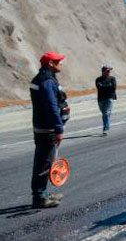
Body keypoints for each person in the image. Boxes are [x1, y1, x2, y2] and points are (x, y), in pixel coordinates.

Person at [30, 51, 67, 208]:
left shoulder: (42, 78)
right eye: (58, 61)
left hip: (43, 126)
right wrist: (58, 129)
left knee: (44, 162)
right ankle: (39, 198)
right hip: (47, 129)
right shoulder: (46, 82)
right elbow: (51, 107)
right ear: (50, 63)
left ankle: (43, 193)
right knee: (44, 163)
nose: (61, 64)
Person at [95, 64, 117, 136]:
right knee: (105, 114)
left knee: (106, 113)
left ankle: (105, 128)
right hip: (101, 99)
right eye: (107, 71)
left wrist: (104, 86)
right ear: (103, 71)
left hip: (110, 98)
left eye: (109, 71)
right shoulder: (98, 79)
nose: (109, 72)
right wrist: (108, 86)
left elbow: (113, 87)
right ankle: (106, 124)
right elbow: (99, 87)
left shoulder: (112, 78)